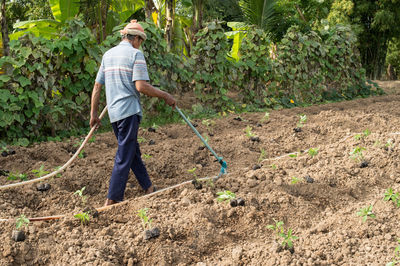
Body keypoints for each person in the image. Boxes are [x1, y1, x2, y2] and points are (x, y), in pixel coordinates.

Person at [90, 20, 176, 206]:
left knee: (131, 151)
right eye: (140, 41)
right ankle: (113, 198)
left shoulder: (108, 54)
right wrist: (165, 95)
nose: (140, 45)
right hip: (128, 112)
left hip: (114, 113)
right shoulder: (136, 55)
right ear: (135, 39)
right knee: (124, 154)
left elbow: (97, 86)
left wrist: (94, 114)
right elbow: (141, 86)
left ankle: (148, 187)